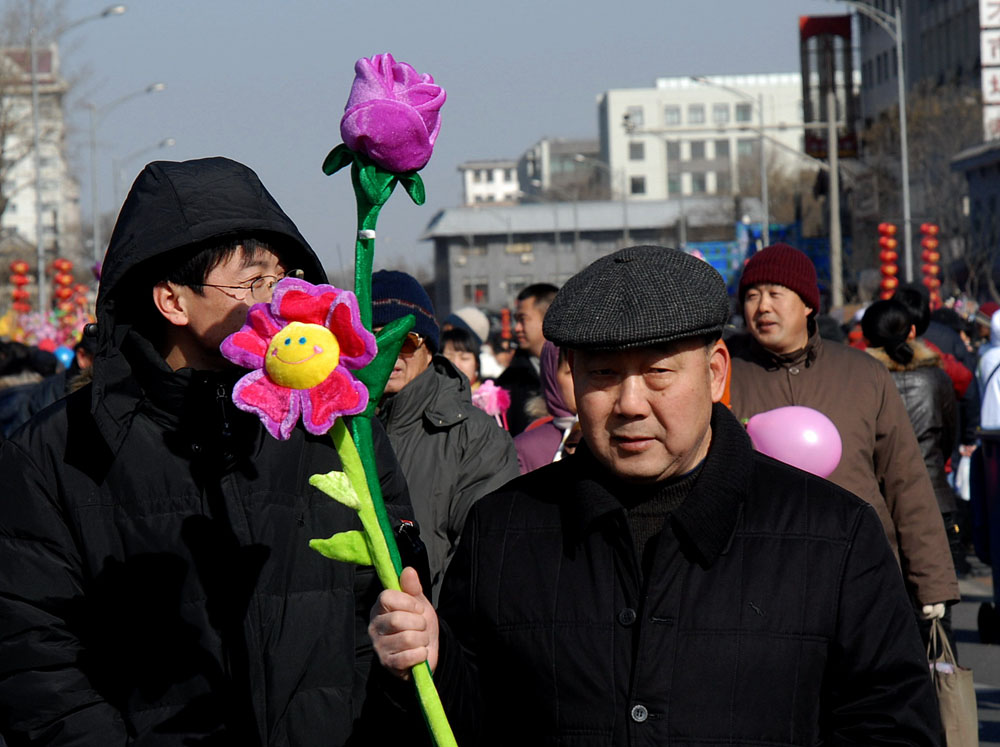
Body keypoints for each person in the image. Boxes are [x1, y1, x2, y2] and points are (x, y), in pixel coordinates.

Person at [366, 245, 942, 745]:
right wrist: (425, 667)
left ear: (716, 374)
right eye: (604, 374)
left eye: (659, 372)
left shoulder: (832, 535)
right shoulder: (505, 528)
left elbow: (892, 724)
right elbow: (468, 724)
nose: (631, 402)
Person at [0, 157, 412, 746]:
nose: (275, 300)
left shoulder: (335, 430)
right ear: (172, 301)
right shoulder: (57, 455)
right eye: (251, 283)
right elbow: (33, 661)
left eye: (281, 277)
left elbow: (381, 607)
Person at [729, 242, 958, 623]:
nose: (762, 306)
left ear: (807, 304)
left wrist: (931, 580)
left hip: (861, 573)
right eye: (752, 296)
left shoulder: (863, 374)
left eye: (775, 293)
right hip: (761, 583)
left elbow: (906, 480)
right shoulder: (724, 376)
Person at [372, 270, 519, 600]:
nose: (390, 353)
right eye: (375, 338)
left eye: (405, 341)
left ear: (428, 347)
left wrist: (432, 632)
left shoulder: (476, 437)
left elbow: (486, 555)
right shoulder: (334, 429)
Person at [863, 298, 961, 645]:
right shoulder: (937, 378)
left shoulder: (863, 382)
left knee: (888, 624)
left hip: (881, 508)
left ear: (865, 337)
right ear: (913, 331)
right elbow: (950, 436)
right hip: (935, 501)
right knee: (937, 624)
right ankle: (940, 696)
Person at [496, 283, 558, 435]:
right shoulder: (508, 382)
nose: (516, 328)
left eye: (522, 319)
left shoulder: (579, 368)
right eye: (516, 320)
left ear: (549, 317)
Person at [513, 341, 577, 473]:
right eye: (573, 371)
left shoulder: (621, 436)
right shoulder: (525, 448)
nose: (583, 381)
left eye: (598, 371)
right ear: (551, 375)